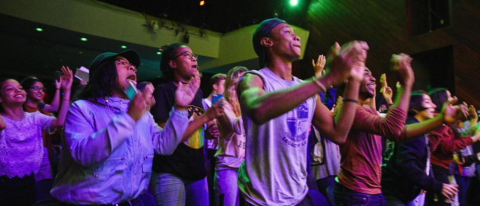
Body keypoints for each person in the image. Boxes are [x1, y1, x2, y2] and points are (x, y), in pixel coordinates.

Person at [237, 17, 369, 206]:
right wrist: (326, 78)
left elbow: (338, 133)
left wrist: (354, 81)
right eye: (287, 32)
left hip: (298, 193)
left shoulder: (305, 88)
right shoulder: (254, 79)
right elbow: (258, 109)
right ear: (267, 42)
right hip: (262, 198)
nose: (296, 36)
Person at [50, 50, 200, 205]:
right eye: (122, 63)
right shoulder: (82, 109)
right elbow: (84, 155)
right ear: (104, 71)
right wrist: (129, 118)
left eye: (134, 66)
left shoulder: (142, 115)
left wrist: (180, 109)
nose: (132, 68)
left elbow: (164, 146)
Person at [333, 54, 469, 206]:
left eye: (372, 74)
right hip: (357, 194)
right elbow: (392, 129)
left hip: (372, 192)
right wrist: (406, 84)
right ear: (347, 79)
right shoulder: (350, 110)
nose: (373, 78)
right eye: (366, 73)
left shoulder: (367, 111)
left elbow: (401, 132)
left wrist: (441, 119)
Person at [150, 43, 223, 206]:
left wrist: (206, 131)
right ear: (173, 64)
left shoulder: (198, 93)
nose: (193, 58)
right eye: (186, 55)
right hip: (171, 170)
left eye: (193, 55)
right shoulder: (164, 91)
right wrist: (206, 117)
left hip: (197, 169)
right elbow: (165, 137)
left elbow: (193, 127)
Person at [0, 66, 72, 206]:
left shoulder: (35, 117)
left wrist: (67, 90)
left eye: (20, 88)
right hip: (3, 181)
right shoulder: (2, 120)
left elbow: (60, 121)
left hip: (30, 178)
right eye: (10, 89)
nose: (18, 90)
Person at [381, 91, 459, 206]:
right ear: (415, 108)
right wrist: (437, 186)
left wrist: (424, 183)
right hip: (394, 193)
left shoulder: (414, 127)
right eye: (428, 102)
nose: (434, 106)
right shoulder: (413, 130)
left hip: (399, 192)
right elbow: (406, 164)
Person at [425, 88, 480, 206]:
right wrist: (473, 139)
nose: (452, 100)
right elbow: (447, 147)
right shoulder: (435, 122)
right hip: (437, 168)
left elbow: (459, 138)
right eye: (449, 96)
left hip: (444, 168)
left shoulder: (446, 123)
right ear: (441, 101)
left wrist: (474, 121)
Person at [20, 74, 68, 201]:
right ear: (26, 90)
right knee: (28, 189)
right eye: (35, 88)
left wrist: (60, 89)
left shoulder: (40, 109)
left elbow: (55, 109)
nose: (40, 91)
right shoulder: (21, 110)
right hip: (27, 154)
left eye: (42, 89)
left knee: (43, 189)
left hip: (44, 151)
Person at [214, 66, 248, 206]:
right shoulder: (223, 103)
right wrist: (246, 98)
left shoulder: (240, 104)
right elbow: (238, 127)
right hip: (228, 166)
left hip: (243, 166)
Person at [202, 73, 226, 205]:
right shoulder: (203, 103)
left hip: (220, 149)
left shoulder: (225, 105)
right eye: (224, 85)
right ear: (215, 86)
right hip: (208, 150)